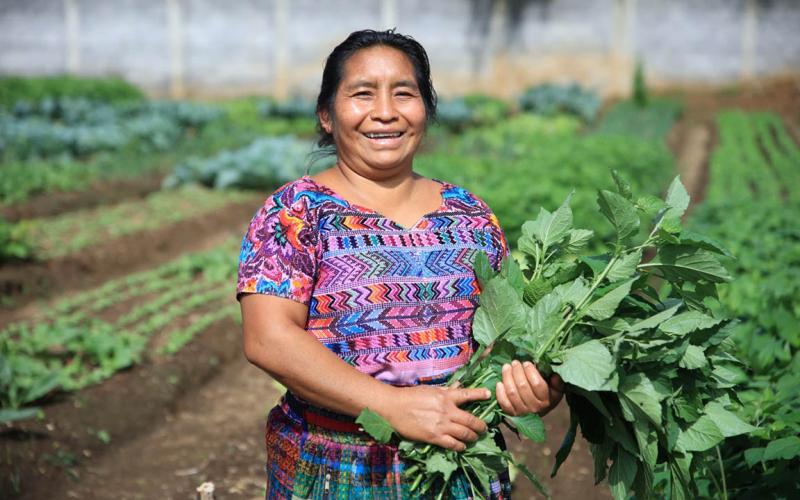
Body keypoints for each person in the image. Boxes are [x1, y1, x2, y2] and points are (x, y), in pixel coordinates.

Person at [236, 28, 564, 499]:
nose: (385, 112)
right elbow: (268, 339)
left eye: (404, 93)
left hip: (459, 469)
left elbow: (500, 343)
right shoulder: (296, 212)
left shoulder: (472, 216)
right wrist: (389, 406)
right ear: (326, 114)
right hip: (337, 470)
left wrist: (529, 391)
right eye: (362, 94)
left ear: (426, 110)